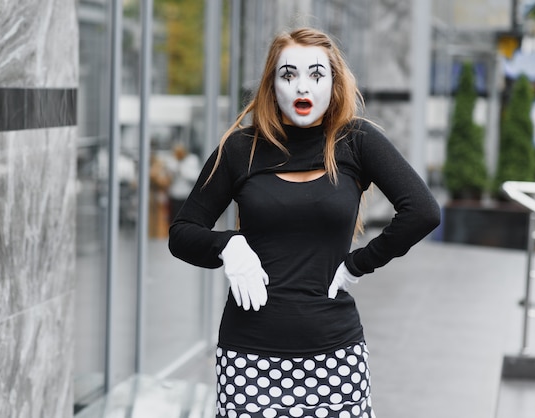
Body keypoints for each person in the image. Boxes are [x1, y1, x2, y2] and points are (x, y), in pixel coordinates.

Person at [169, 27, 440, 418]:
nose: (302, 87)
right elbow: (181, 234)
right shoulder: (241, 149)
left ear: (333, 83)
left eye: (316, 75)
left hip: (336, 357)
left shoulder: (355, 141)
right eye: (288, 74)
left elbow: (423, 210)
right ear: (271, 85)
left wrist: (358, 264)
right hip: (249, 359)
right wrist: (227, 245)